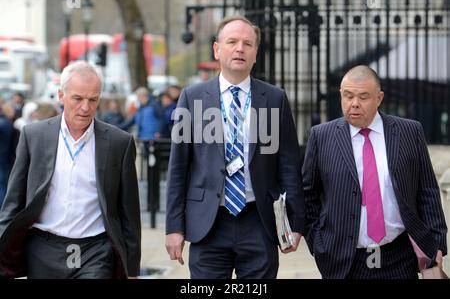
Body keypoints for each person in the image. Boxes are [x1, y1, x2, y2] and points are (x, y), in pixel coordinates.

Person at [165, 16, 305, 279]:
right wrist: (174, 227)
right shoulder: (192, 97)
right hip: (208, 223)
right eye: (232, 42)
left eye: (247, 44)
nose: (240, 48)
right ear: (217, 50)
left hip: (259, 222)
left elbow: (288, 164)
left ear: (255, 54)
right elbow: (178, 167)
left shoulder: (275, 99)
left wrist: (295, 224)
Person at [302, 65, 447, 279]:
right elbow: (308, 194)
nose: (354, 104)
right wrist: (318, 243)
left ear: (379, 98)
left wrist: (437, 243)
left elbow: (427, 190)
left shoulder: (409, 131)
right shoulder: (321, 136)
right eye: (348, 96)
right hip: (344, 260)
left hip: (400, 256)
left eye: (363, 97)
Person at [0, 61, 141, 279]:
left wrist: (132, 269)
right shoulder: (34, 136)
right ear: (61, 95)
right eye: (78, 98)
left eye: (93, 100)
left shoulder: (119, 143)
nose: (86, 107)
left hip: (96, 251)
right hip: (43, 249)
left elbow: (129, 212)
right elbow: (13, 202)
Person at [0, 104, 15, 208]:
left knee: (2, 186)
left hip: (2, 158)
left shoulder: (2, 123)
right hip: (7, 158)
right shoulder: (8, 123)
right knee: (4, 185)